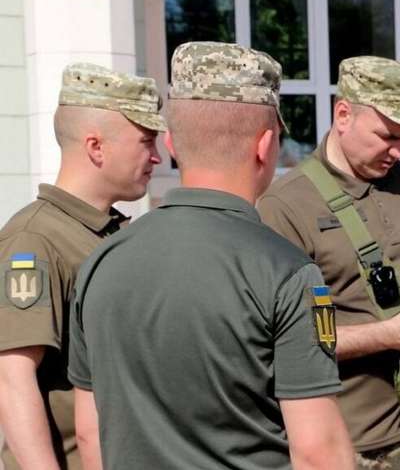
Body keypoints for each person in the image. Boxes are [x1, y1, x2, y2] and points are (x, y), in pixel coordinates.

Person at [67, 42, 354, 470]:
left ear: (172, 144)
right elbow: (318, 453)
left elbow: (92, 435)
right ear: (266, 144)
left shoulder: (100, 262)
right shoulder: (287, 272)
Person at [257, 55, 400, 469]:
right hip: (350, 443)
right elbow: (284, 343)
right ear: (343, 114)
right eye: (388, 136)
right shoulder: (286, 205)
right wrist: (389, 335)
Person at [0, 63, 166, 470]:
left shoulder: (114, 233)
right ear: (96, 147)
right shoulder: (35, 240)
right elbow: (11, 378)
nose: (157, 157)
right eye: (146, 141)